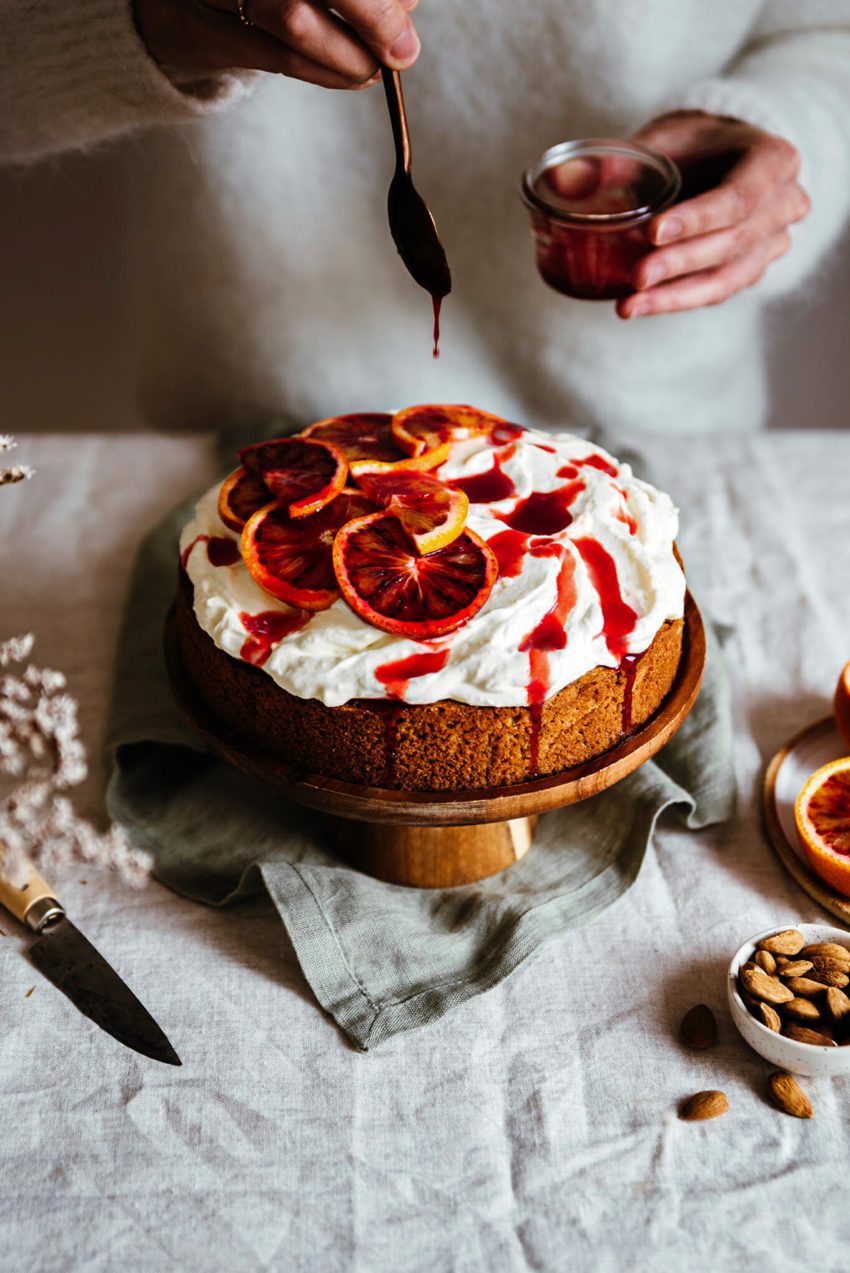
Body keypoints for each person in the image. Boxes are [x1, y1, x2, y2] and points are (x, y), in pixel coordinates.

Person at [2, 0, 850, 433]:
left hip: (658, 434)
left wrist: (781, 144)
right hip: (253, 437)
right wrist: (139, 19)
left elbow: (826, 30)